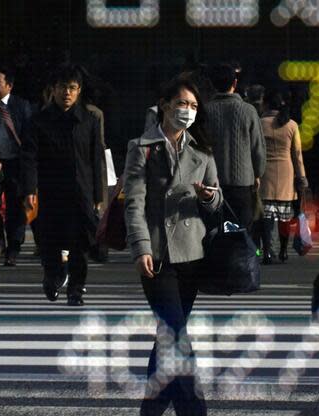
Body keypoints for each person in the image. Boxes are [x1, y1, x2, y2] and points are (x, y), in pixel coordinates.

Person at [124, 77, 222, 416]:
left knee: (169, 336)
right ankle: (195, 410)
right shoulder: (142, 147)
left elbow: (216, 197)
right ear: (164, 105)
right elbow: (133, 203)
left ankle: (150, 411)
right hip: (158, 256)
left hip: (192, 255)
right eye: (182, 104)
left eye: (194, 107)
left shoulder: (202, 151)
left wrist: (208, 197)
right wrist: (140, 247)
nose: (188, 111)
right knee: (177, 334)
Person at [21, 63, 104, 306]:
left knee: (79, 244)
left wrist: (99, 194)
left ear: (79, 91)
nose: (67, 93)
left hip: (81, 192)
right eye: (62, 88)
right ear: (53, 90)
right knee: (50, 241)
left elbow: (96, 158)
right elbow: (29, 157)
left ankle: (76, 290)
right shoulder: (38, 121)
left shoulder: (88, 120)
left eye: (72, 88)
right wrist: (29, 189)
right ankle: (53, 276)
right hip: (50, 191)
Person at [204, 63, 266, 231]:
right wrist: (258, 174)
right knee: (240, 232)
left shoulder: (205, 111)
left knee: (215, 231)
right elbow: (258, 148)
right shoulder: (249, 110)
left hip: (212, 184)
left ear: (211, 84)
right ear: (235, 83)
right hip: (243, 183)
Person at [0, 67, 31, 267]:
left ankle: (13, 249)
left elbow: (28, 136)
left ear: (9, 86)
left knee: (15, 208)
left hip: (15, 162)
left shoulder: (21, 106)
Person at [259, 90, 307, 264]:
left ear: (266, 104)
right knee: (284, 216)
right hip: (286, 174)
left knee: (266, 216)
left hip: (265, 174)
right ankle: (284, 251)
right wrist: (302, 177)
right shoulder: (291, 125)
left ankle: (266, 252)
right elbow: (297, 154)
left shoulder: (259, 123)